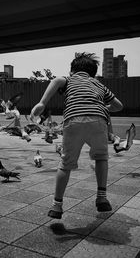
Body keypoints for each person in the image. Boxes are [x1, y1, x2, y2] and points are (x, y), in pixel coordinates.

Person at [30, 52, 123, 219]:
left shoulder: (69, 79)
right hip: (98, 122)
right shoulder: (99, 84)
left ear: (72, 71)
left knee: (65, 164)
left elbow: (56, 80)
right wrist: (100, 107)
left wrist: (42, 103)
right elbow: (119, 106)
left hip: (73, 121)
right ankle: (102, 197)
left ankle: (56, 206)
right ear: (92, 73)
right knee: (101, 158)